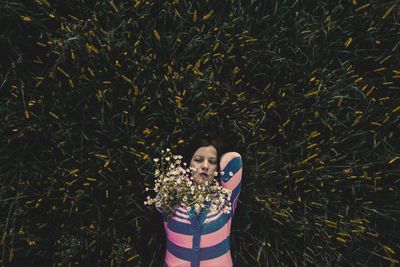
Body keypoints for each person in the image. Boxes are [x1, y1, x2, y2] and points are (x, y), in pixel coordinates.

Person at [156, 132, 243, 267]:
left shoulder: (225, 199)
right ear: (188, 163)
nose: (205, 166)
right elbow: (159, 200)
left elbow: (234, 159)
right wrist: (180, 175)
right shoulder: (172, 196)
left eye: (212, 162)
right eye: (198, 159)